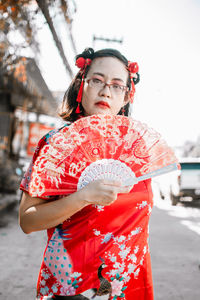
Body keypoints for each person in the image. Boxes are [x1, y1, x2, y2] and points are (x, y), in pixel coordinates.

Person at [19, 48, 154, 299]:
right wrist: (82, 197)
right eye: (97, 81)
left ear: (126, 97)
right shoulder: (56, 144)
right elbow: (27, 221)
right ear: (82, 84)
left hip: (127, 286)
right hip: (73, 285)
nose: (105, 91)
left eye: (116, 85)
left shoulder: (136, 149)